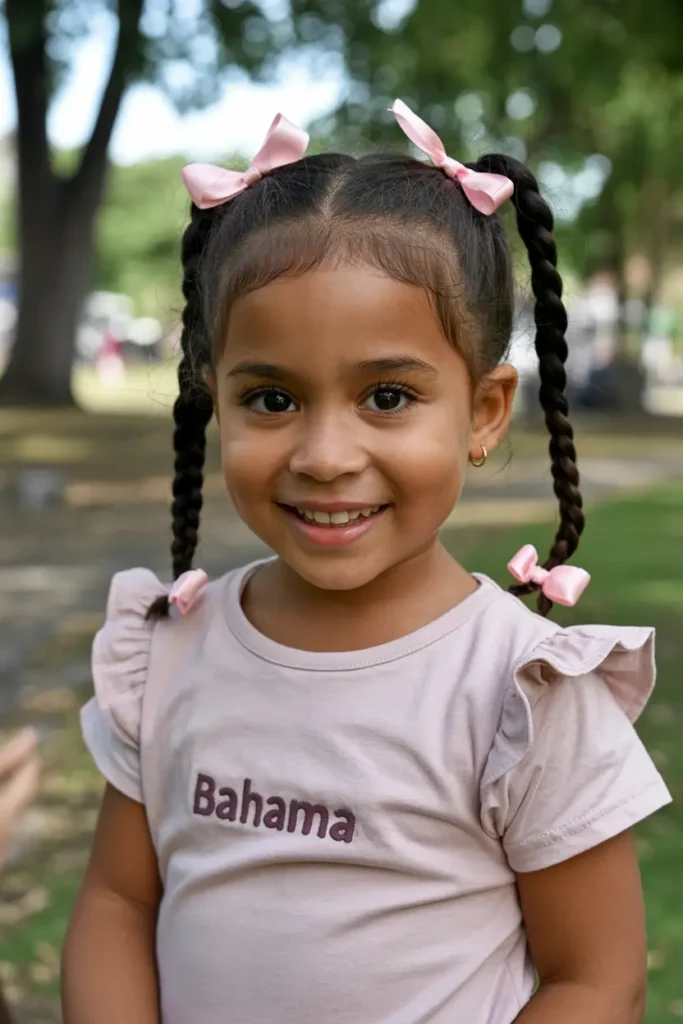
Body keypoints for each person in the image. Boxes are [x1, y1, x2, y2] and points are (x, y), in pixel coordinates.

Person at [62, 101, 671, 1024]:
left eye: (386, 395)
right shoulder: (169, 653)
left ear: (482, 412)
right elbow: (117, 903)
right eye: (270, 397)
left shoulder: (522, 692)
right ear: (211, 395)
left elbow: (595, 980)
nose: (324, 454)